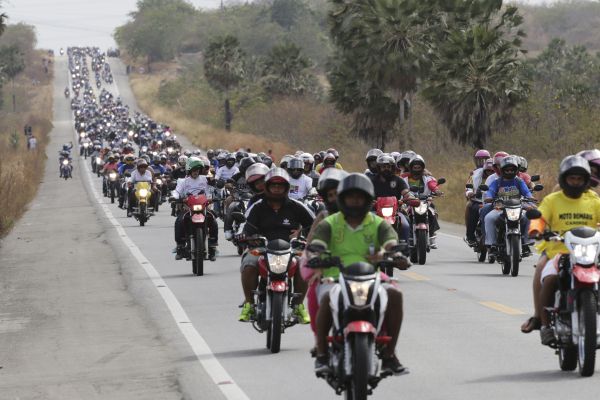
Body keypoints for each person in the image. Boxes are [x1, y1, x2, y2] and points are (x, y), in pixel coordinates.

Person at [307, 173, 409, 374]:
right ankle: (321, 354)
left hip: (371, 277)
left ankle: (389, 353)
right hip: (334, 277)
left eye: (359, 197)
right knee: (328, 296)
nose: (355, 201)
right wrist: (317, 256)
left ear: (367, 199)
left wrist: (394, 254)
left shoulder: (378, 223)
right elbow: (317, 243)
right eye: (350, 197)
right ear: (342, 199)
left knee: (395, 294)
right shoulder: (329, 222)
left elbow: (390, 241)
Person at [527, 155, 600, 345]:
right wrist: (536, 229)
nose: (575, 182)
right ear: (564, 179)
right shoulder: (552, 200)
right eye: (571, 178)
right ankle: (544, 325)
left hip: (589, 252)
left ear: (585, 181)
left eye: (579, 179)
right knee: (548, 278)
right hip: (558, 252)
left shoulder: (593, 201)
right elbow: (540, 218)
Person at [238, 168, 315, 324]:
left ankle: (299, 305)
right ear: (267, 187)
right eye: (273, 185)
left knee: (304, 264)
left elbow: (315, 225)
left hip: (292, 248)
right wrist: (244, 236)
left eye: (280, 186)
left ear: (287, 188)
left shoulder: (297, 206)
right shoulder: (257, 206)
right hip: (262, 248)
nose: (277, 189)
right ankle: (249, 304)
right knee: (248, 264)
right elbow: (246, 226)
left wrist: (304, 234)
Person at [483, 156, 532, 256]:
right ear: (502, 170)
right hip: (500, 208)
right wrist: (489, 197)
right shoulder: (496, 182)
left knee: (528, 216)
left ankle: (526, 242)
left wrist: (531, 202)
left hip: (518, 208)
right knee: (488, 218)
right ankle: (492, 245)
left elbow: (527, 193)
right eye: (507, 170)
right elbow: (490, 192)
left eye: (512, 170)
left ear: (516, 170)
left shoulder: (519, 181)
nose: (509, 172)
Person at [171, 158, 219, 261]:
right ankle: (180, 246)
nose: (196, 171)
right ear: (189, 170)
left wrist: (215, 184)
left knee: (213, 220)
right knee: (179, 221)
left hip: (204, 207)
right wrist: (174, 197)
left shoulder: (205, 179)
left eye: (198, 169)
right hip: (188, 208)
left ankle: (213, 246)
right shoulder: (183, 181)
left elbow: (214, 187)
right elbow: (177, 191)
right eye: (193, 169)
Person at [402, 155, 442, 248]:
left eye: (419, 167)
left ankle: (431, 234)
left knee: (432, 212)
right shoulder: (404, 178)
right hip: (409, 203)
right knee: (403, 215)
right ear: (411, 168)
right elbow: (400, 186)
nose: (416, 170)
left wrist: (436, 191)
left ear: (423, 168)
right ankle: (406, 236)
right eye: (414, 167)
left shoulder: (427, 177)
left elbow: (432, 185)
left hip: (424, 202)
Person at [371, 154, 412, 243]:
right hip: (374, 210)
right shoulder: (371, 180)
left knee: (405, 224)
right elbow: (365, 193)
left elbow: (406, 192)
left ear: (392, 167)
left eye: (388, 166)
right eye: (383, 166)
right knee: (365, 223)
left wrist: (408, 197)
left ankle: (405, 247)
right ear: (378, 168)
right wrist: (369, 201)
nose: (386, 169)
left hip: (396, 211)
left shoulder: (398, 180)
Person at [464, 158, 495, 246]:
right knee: (472, 208)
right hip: (478, 201)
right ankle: (470, 236)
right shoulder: (475, 174)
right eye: (487, 171)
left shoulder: (498, 177)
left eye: (492, 171)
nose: (489, 173)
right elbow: (468, 186)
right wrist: (470, 193)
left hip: (496, 203)